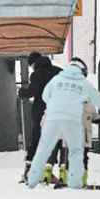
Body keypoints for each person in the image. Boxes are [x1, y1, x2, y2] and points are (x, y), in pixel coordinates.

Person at [26, 58, 100, 189]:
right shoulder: (84, 84)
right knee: (75, 151)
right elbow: (99, 102)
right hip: (73, 122)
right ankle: (75, 181)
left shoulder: (57, 80)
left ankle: (33, 179)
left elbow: (45, 96)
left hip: (52, 120)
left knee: (44, 149)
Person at [18, 52, 62, 182]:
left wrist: (22, 92)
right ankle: (49, 171)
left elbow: (32, 91)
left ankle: (29, 171)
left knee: (37, 140)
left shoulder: (37, 74)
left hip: (41, 112)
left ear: (33, 63)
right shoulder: (59, 72)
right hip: (59, 112)